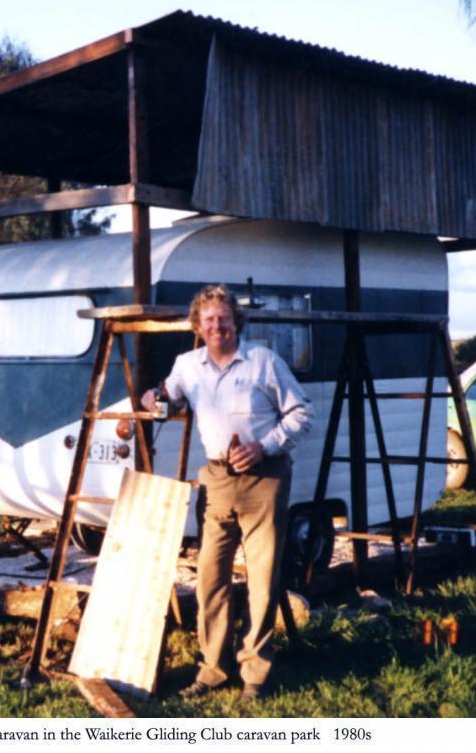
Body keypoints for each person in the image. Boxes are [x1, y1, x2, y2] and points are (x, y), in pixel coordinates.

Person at [141, 284, 314, 701]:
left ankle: (255, 673)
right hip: (217, 480)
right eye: (209, 319)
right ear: (197, 326)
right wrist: (152, 397)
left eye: (224, 318)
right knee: (210, 576)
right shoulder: (187, 366)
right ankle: (213, 669)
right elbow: (167, 397)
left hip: (264, 479)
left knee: (262, 578)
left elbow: (302, 413)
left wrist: (263, 446)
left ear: (237, 322)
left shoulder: (263, 362)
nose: (217, 326)